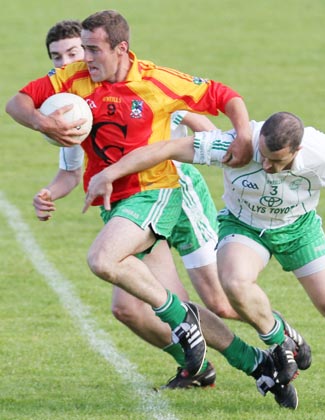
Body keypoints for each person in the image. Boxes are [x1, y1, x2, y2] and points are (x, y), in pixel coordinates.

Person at [6, 11, 303, 409]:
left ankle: (218, 326)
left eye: (93, 49)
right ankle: (257, 365)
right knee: (132, 307)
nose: (84, 58)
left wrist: (244, 135)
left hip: (157, 191)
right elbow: (17, 102)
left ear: (121, 48)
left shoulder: (154, 81)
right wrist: (42, 122)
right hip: (117, 205)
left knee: (105, 260)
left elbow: (223, 94)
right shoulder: (73, 81)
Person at [83, 112, 325, 414]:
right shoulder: (236, 144)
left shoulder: (322, 151)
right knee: (234, 284)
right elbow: (166, 148)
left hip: (299, 229)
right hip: (244, 227)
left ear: (298, 150)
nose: (266, 165)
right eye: (262, 156)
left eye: (276, 161)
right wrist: (111, 173)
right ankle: (281, 339)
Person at [34, 19, 239, 389]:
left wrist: (228, 154)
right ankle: (198, 366)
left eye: (74, 53)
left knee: (220, 301)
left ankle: (277, 338)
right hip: (127, 205)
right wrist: (49, 193)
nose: (65, 63)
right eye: (56, 57)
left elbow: (202, 125)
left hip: (173, 193)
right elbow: (69, 171)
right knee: (128, 308)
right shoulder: (68, 108)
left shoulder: (140, 86)